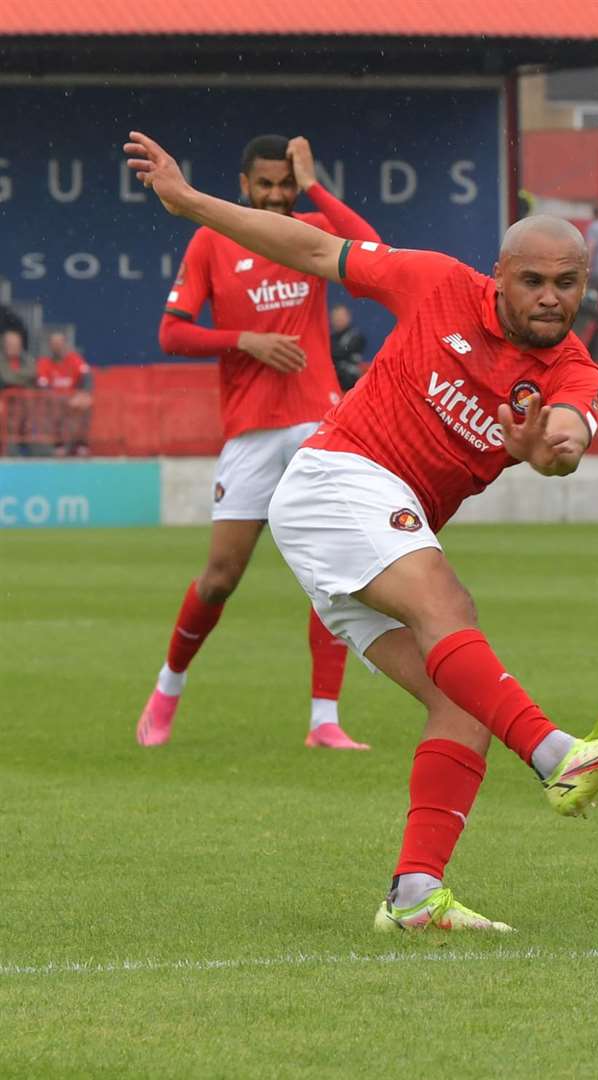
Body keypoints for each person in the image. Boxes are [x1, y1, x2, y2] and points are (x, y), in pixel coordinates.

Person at [127, 130, 598, 933]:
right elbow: (315, 246)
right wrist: (192, 204)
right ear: (498, 277)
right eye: (533, 281)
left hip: (368, 521)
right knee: (448, 604)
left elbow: (567, 438)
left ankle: (415, 895)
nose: (550, 297)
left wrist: (549, 450)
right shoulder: (436, 283)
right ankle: (559, 756)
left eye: (566, 283)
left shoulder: (573, 370)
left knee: (466, 704)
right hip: (334, 478)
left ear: (585, 283)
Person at [137, 134, 381, 751]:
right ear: (243, 185)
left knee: (332, 576)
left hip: (317, 424)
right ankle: (166, 692)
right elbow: (171, 332)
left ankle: (324, 720)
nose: (277, 195)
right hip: (249, 431)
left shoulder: (315, 231)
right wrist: (244, 340)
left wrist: (318, 183)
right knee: (220, 577)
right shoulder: (213, 238)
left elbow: (374, 250)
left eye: (286, 184)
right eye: (266, 184)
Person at [34, 332, 93, 456]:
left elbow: (87, 375)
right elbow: (42, 383)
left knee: (85, 404)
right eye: (54, 344)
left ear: (65, 344)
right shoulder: (45, 362)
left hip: (73, 398)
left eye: (60, 344)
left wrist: (84, 394)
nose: (57, 347)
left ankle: (81, 445)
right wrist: (53, 396)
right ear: (50, 346)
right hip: (54, 400)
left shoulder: (74, 359)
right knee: (55, 408)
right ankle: (58, 445)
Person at [329, 304, 368, 392]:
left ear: (348, 317)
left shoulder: (356, 336)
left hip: (350, 381)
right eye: (336, 317)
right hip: (332, 380)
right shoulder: (329, 338)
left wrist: (330, 353)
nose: (339, 320)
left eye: (341, 316)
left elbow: (343, 352)